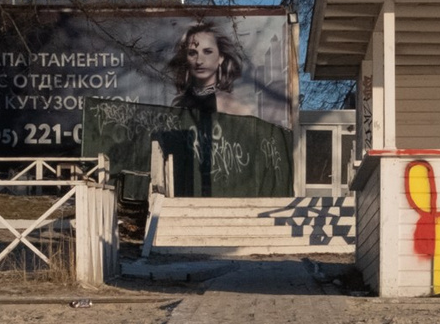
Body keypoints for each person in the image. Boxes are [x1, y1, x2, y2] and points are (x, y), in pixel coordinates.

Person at [85, 22, 292, 199]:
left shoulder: (235, 106)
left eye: (207, 51)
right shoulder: (178, 103)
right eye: (192, 53)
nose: (199, 60)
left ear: (221, 58)